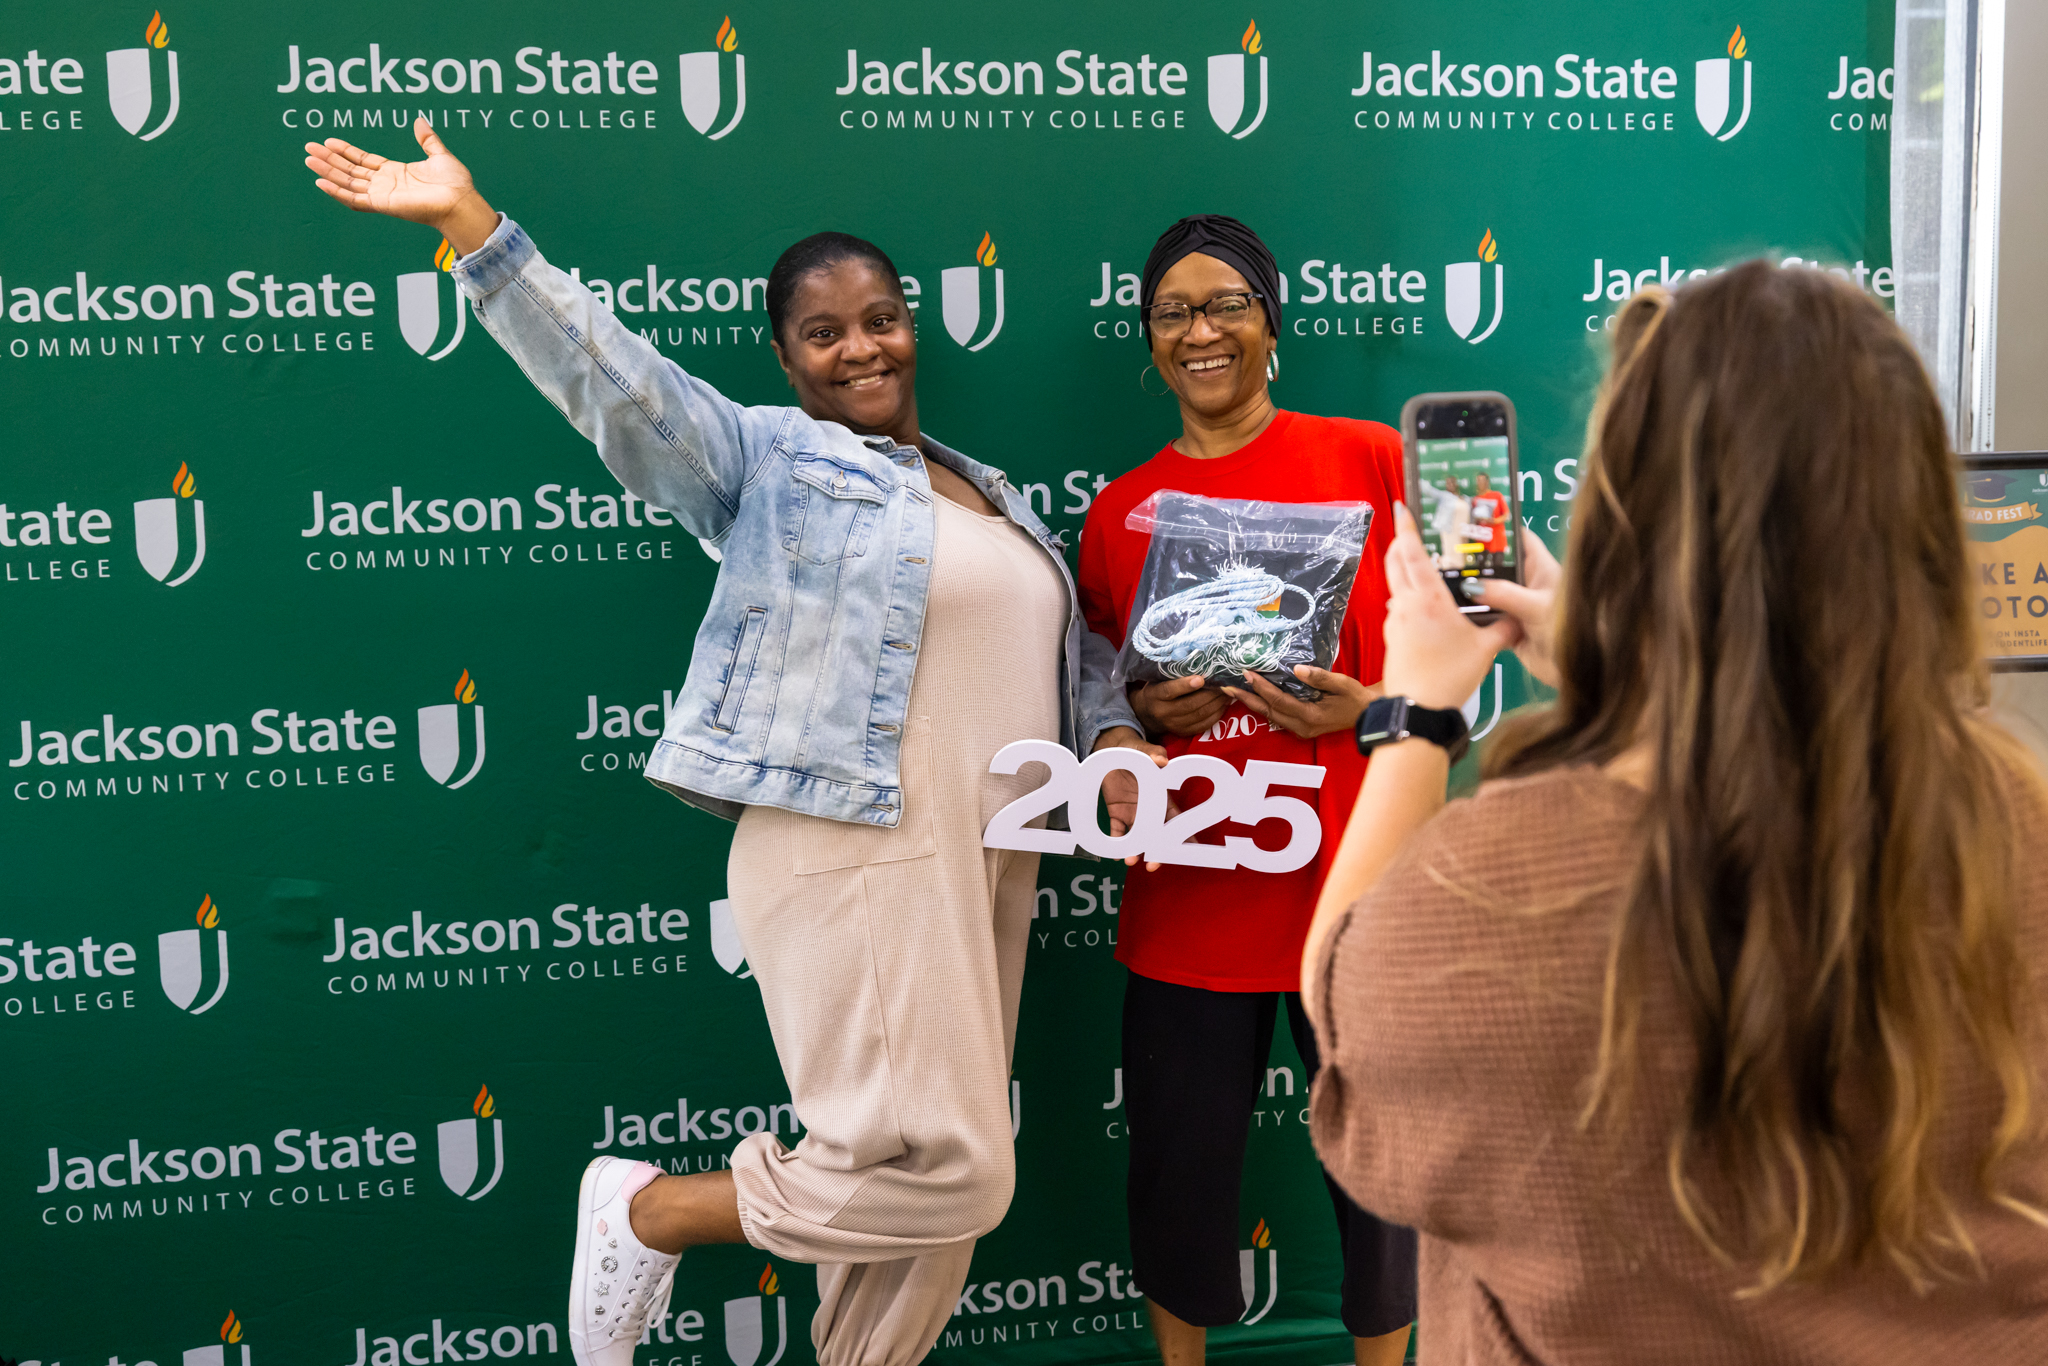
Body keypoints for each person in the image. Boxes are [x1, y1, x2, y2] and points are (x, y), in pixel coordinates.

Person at [303, 119, 1146, 1366]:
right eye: (824, 330)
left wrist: (1118, 731)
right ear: (787, 355)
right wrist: (473, 233)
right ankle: (651, 1209)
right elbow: (620, 388)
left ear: (915, 324)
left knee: (926, 1229)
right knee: (958, 1176)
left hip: (989, 858)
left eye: (879, 317)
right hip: (858, 835)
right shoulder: (772, 461)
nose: (860, 345)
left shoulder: (991, 489)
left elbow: (1069, 649)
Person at [1304, 265, 2048, 1362]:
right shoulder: (2016, 817)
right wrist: (1636, 684)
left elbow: (1340, 1019)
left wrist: (1414, 715)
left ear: (1618, 523)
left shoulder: (1492, 885)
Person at [1076, 214, 1417, 1366]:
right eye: (1171, 311)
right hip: (1188, 899)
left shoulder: (1371, 457)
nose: (1199, 329)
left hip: (1353, 894)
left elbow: (1466, 652)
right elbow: (1093, 698)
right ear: (1147, 341)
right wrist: (1137, 719)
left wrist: (1362, 708)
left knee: (1382, 1171)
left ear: (1272, 321)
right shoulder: (1118, 512)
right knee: (1177, 1172)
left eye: (1224, 302)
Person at [1421, 475, 1469, 571]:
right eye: (1448, 483)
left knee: (1461, 556)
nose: (1450, 485)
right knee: (1450, 552)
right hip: (1448, 529)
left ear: (1456, 484)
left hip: (1462, 531)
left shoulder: (1464, 498)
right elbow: (1428, 490)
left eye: (1452, 482)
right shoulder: (1444, 496)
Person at [1467, 472, 1507, 573]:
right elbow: (1473, 521)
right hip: (1482, 540)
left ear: (1487, 482)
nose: (1480, 483)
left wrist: (1494, 521)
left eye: (1482, 481)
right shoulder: (1475, 500)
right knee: (1481, 568)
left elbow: (1506, 515)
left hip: (1497, 539)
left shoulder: (1497, 496)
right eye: (1478, 481)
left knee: (1498, 568)